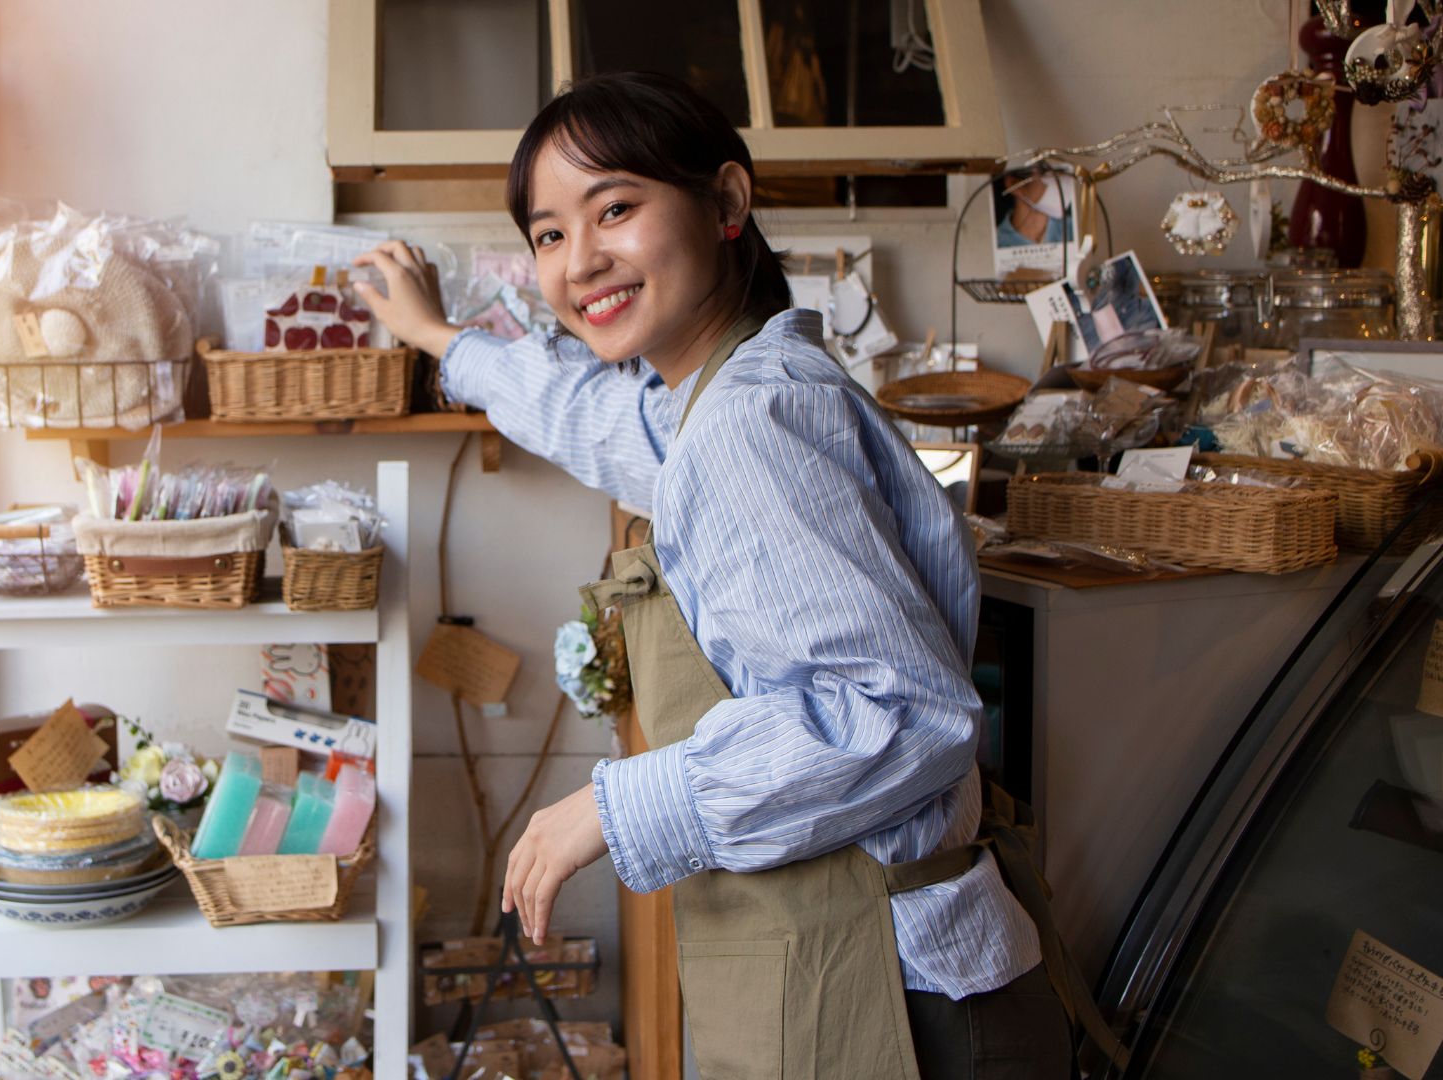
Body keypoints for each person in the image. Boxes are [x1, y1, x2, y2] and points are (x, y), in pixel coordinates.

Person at [354, 72, 1082, 1078]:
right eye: (550, 234)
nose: (581, 261)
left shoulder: (748, 423)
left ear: (728, 201)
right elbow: (598, 418)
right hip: (882, 969)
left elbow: (899, 709)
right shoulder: (718, 397)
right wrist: (443, 342)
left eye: (615, 208)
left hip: (901, 1001)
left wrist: (608, 808)